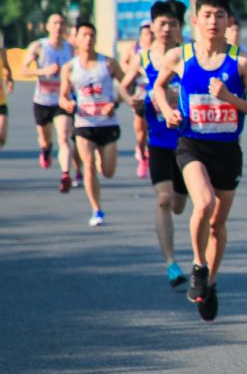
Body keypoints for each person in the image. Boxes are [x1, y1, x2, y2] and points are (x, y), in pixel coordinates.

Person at [152, 0, 247, 321]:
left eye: (220, 16)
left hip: (227, 150)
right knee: (204, 204)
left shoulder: (242, 61)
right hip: (192, 144)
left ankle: (211, 283)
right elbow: (158, 87)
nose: (213, 22)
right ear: (196, 21)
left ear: (228, 20)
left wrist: (229, 96)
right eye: (207, 16)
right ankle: (199, 266)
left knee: (217, 224)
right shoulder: (179, 57)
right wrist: (167, 110)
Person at [131, 0, 190, 286]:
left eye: (173, 23)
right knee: (164, 199)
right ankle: (171, 263)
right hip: (158, 139)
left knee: (179, 203)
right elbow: (124, 84)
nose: (167, 29)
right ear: (152, 26)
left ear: (181, 26)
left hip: (188, 141)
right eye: (162, 23)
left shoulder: (189, 56)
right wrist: (132, 99)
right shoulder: (143, 57)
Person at [58, 21, 134, 227]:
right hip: (84, 124)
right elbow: (62, 97)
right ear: (77, 39)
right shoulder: (70, 68)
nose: (88, 39)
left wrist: (115, 102)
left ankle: (102, 166)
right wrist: (68, 104)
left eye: (92, 35)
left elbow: (126, 86)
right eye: (84, 35)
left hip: (107, 123)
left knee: (108, 172)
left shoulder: (108, 64)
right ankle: (96, 209)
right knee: (89, 166)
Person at [23, 13, 76, 190]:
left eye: (61, 23)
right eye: (54, 23)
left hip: (62, 100)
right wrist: (43, 71)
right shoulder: (38, 46)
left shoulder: (71, 48)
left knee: (63, 136)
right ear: (47, 26)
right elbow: (23, 71)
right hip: (42, 100)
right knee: (45, 140)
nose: (58, 27)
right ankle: (46, 151)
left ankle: (65, 174)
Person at [122, 23, 154, 177]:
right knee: (141, 133)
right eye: (146, 34)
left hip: (158, 99)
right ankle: (142, 156)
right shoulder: (136, 52)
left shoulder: (164, 54)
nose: (149, 37)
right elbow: (124, 64)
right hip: (140, 96)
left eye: (151, 34)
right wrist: (134, 71)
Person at [0, 30, 13, 150]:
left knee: (1, 137)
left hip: (1, 100)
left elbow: (6, 67)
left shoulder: (1, 51)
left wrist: (9, 80)